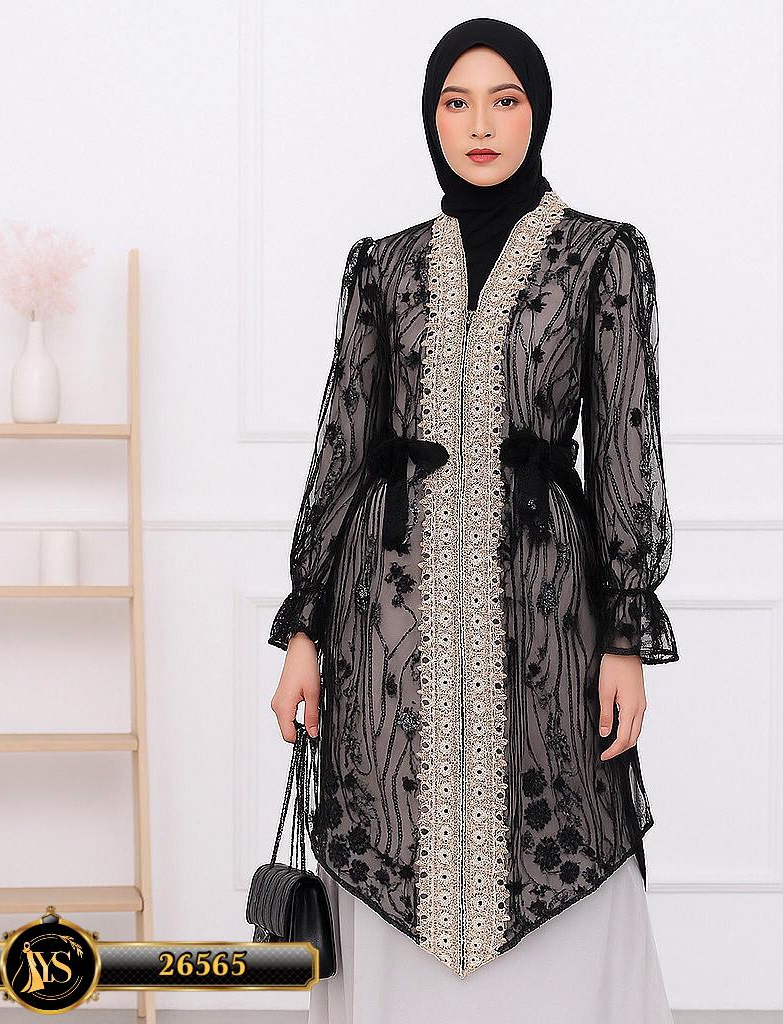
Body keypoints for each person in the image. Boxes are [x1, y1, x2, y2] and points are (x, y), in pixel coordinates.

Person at [268, 17, 680, 1023]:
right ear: (431, 118)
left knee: (559, 817)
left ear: (538, 114)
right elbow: (343, 451)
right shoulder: (384, 266)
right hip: (385, 615)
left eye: (506, 101)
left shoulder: (601, 257)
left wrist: (623, 637)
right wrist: (305, 632)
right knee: (391, 812)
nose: (481, 125)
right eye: (457, 103)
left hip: (544, 607)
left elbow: (626, 451)